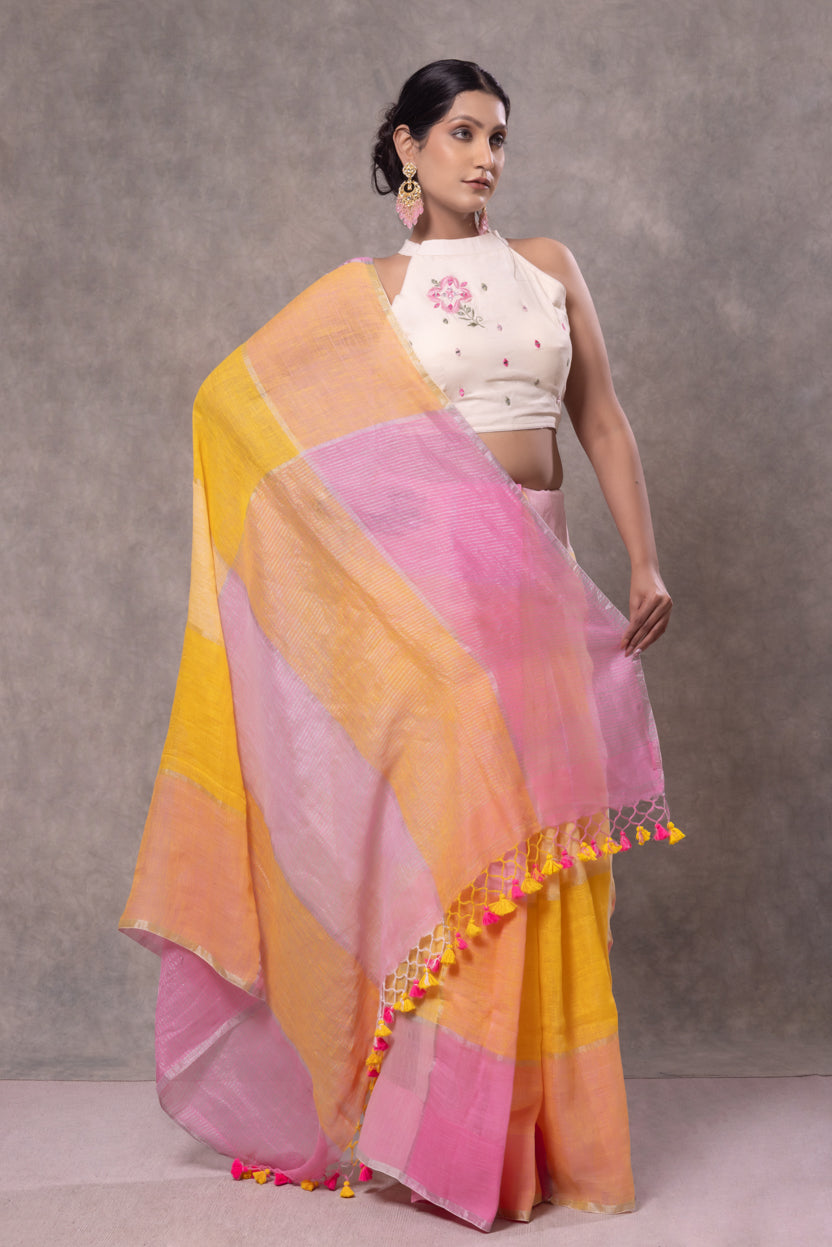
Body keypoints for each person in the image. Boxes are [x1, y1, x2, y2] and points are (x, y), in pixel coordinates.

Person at [121, 59, 680, 1233]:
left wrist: (643, 559)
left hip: (544, 586)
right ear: (406, 149)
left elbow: (599, 418)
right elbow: (238, 406)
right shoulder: (371, 293)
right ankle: (450, 1144)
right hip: (443, 601)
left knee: (550, 843)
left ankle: (550, 1139)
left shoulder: (548, 267)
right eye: (462, 133)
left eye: (498, 137)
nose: (485, 157)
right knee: (471, 839)